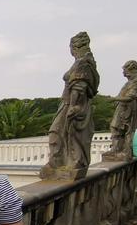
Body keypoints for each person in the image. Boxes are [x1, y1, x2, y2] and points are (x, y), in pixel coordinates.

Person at [40, 31, 99, 178]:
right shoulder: (86, 62)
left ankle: (61, 162)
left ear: (74, 47)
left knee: (57, 133)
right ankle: (60, 162)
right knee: (63, 134)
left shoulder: (83, 63)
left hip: (70, 104)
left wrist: (74, 105)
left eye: (71, 46)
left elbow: (79, 86)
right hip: (71, 104)